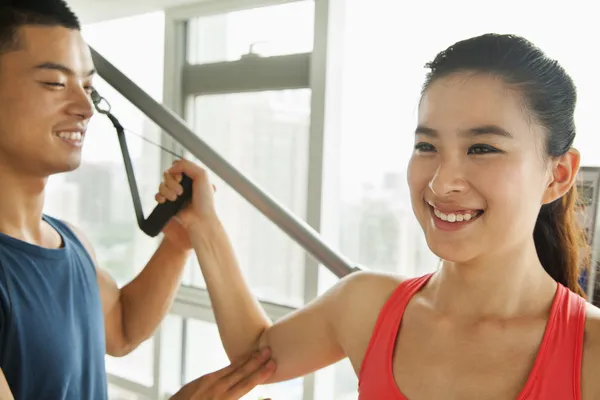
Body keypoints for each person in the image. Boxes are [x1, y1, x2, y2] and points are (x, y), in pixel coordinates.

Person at [159, 33, 600, 399]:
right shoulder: (366, 306)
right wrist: (205, 227)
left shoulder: (591, 354)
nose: (442, 182)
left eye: (482, 148)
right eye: (426, 146)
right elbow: (256, 355)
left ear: (558, 175)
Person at [0, 1, 274, 399]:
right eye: (55, 83)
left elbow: (122, 328)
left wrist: (177, 245)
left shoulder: (71, 243)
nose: (85, 108)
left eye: (89, 88)